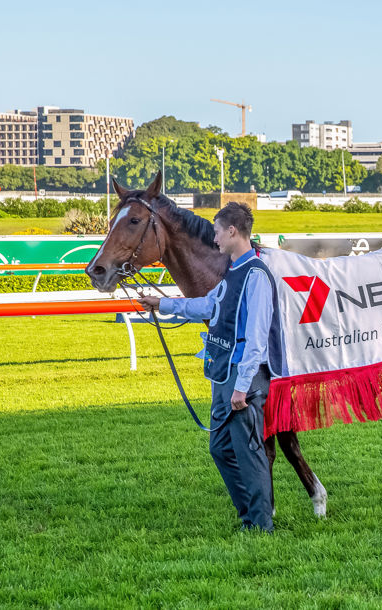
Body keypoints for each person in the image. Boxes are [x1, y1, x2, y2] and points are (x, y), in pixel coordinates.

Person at [140, 202, 282, 533]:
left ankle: (260, 525)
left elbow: (257, 338)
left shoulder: (256, 276)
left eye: (217, 231)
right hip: (222, 372)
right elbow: (208, 305)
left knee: (249, 453)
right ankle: (249, 514)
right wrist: (162, 304)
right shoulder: (233, 271)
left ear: (233, 231)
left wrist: (242, 386)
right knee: (220, 449)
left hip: (241, 376)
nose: (214, 237)